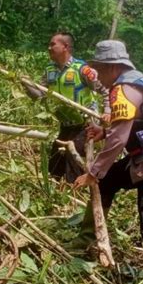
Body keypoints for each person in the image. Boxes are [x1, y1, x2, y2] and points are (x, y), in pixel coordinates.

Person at [72, 40, 143, 250]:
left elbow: (118, 139)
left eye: (100, 70)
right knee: (106, 182)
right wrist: (104, 131)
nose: (98, 76)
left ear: (113, 67)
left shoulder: (123, 89)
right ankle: (87, 240)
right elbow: (142, 122)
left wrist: (93, 172)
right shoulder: (139, 81)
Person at [24, 32, 111, 183]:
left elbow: (104, 90)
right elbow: (40, 96)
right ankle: (57, 195)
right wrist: (25, 83)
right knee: (54, 163)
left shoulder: (82, 69)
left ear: (65, 47)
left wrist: (107, 111)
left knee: (73, 158)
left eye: (53, 44)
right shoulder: (49, 70)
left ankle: (76, 194)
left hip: (85, 125)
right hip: (65, 124)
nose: (49, 48)